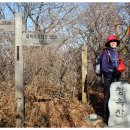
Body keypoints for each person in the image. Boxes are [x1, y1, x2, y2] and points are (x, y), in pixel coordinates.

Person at [100, 35, 126, 125]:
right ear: (109, 43)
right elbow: (104, 67)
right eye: (112, 42)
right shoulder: (105, 53)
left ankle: (114, 117)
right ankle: (106, 119)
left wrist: (119, 72)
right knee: (107, 97)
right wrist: (112, 74)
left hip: (115, 77)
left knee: (115, 97)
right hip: (108, 78)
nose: (114, 43)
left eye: (115, 41)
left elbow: (118, 64)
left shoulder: (116, 53)